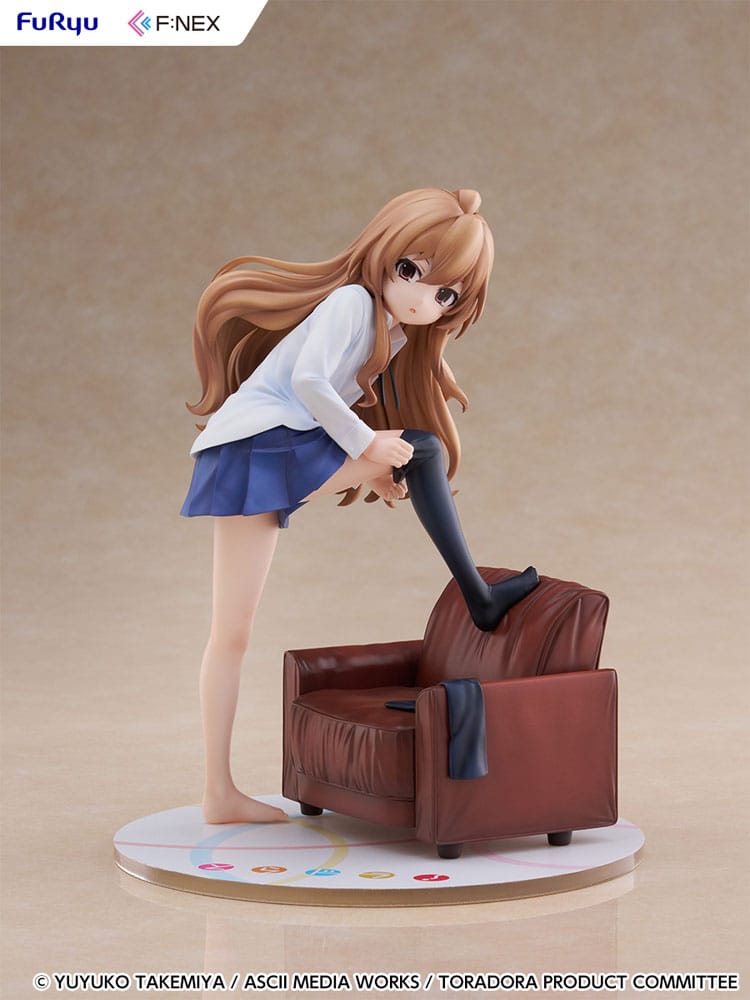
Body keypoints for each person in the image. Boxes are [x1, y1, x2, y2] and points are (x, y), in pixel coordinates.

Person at [182, 188, 539, 824]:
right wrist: (367, 446)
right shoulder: (352, 302)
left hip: (271, 448)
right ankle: (479, 595)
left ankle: (218, 794)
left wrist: (371, 468)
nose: (422, 299)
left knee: (233, 632)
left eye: (445, 295)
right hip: (255, 449)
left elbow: (327, 404)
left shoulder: (392, 331)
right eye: (411, 271)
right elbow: (309, 383)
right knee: (422, 449)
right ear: (385, 253)